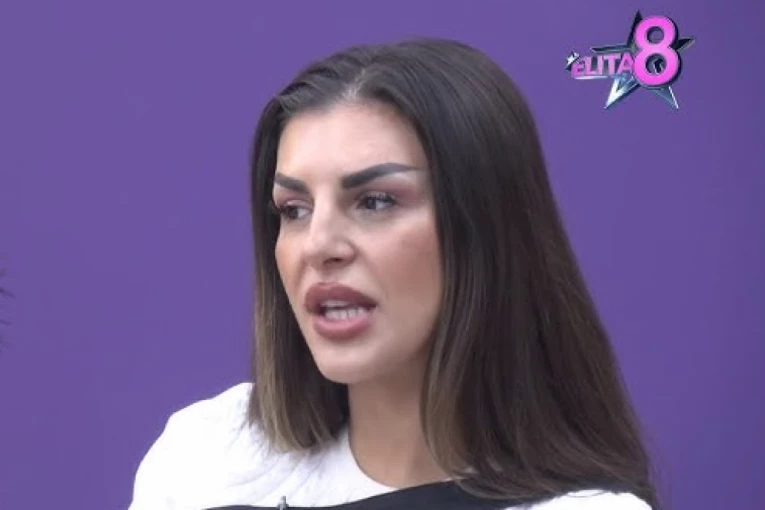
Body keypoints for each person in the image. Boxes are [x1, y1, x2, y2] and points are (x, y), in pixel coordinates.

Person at [128, 38, 659, 510]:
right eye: (294, 209)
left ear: (484, 227)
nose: (318, 246)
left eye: (375, 201)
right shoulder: (203, 459)